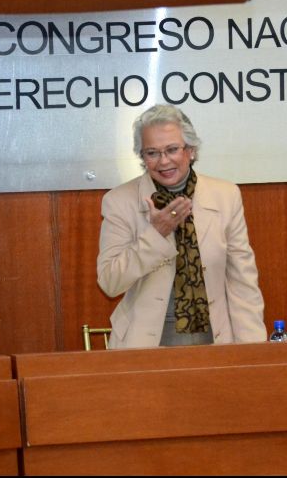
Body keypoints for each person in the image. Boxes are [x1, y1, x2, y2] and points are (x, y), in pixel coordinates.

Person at [97, 104, 267, 349]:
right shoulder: (119, 201)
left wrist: (252, 351)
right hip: (143, 346)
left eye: (172, 149)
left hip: (215, 341)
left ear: (191, 150)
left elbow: (243, 282)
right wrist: (156, 235)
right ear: (142, 157)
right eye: (152, 153)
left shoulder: (225, 196)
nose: (163, 161)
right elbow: (110, 282)